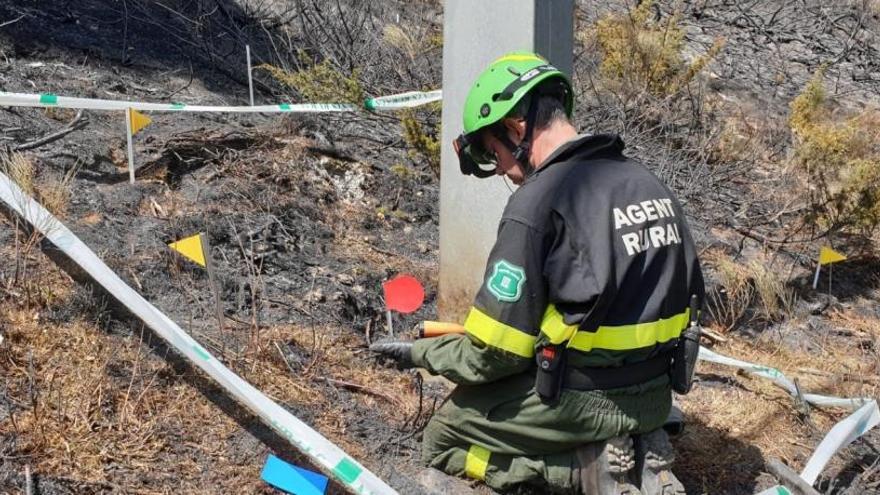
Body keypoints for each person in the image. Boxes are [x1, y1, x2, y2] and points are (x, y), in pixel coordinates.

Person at [371, 51, 704, 494]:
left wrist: (424, 355)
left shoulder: (538, 203)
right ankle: (642, 451)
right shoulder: (646, 183)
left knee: (443, 440)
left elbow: (494, 355)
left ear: (515, 128)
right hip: (655, 395)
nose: (505, 172)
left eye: (494, 153)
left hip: (584, 400)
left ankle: (582, 469)